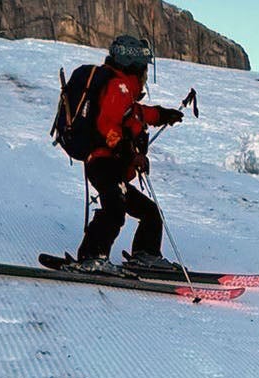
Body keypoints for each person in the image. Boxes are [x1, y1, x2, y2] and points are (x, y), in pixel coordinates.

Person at [70, 35, 185, 274]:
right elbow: (107, 125)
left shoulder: (124, 91)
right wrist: (132, 155)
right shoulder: (119, 87)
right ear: (135, 65)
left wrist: (165, 115)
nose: (146, 74)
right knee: (114, 208)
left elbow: (139, 114)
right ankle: (92, 257)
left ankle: (145, 255)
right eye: (144, 67)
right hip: (104, 163)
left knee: (149, 212)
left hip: (109, 164)